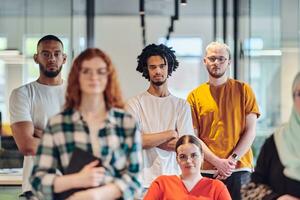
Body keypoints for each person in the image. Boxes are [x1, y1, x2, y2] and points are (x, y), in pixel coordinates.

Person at [30, 48, 142, 200]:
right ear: (77, 77)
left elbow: (135, 179)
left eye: (100, 71)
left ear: (109, 77)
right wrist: (76, 180)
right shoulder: (58, 124)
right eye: (86, 71)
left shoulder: (126, 123)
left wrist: (96, 195)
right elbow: (38, 180)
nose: (93, 77)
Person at [187, 41, 260, 200]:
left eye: (221, 59)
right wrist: (217, 162)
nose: (216, 62)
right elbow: (194, 137)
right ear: (204, 61)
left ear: (229, 62)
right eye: (212, 58)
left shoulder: (244, 90)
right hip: (206, 171)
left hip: (240, 169)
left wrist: (231, 160)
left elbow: (251, 130)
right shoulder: (194, 96)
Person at [126, 44, 194, 197]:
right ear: (146, 70)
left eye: (162, 66)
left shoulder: (181, 106)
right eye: (153, 67)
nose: (158, 71)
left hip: (175, 181)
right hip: (142, 183)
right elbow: (133, 142)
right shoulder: (134, 104)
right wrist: (170, 133)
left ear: (169, 68)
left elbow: (186, 146)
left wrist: (147, 139)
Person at [9, 35, 67, 199]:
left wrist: (45, 136)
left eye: (56, 54)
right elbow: (27, 145)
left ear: (64, 58)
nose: (52, 59)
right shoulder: (22, 94)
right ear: (36, 58)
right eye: (46, 54)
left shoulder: (77, 95)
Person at [242, 72, 300, 200]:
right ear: (293, 97)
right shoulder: (275, 142)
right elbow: (251, 189)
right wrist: (276, 198)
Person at [144, 135, 231, 200]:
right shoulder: (162, 183)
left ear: (202, 157)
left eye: (194, 155)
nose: (188, 161)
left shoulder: (217, 187)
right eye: (182, 156)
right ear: (177, 159)